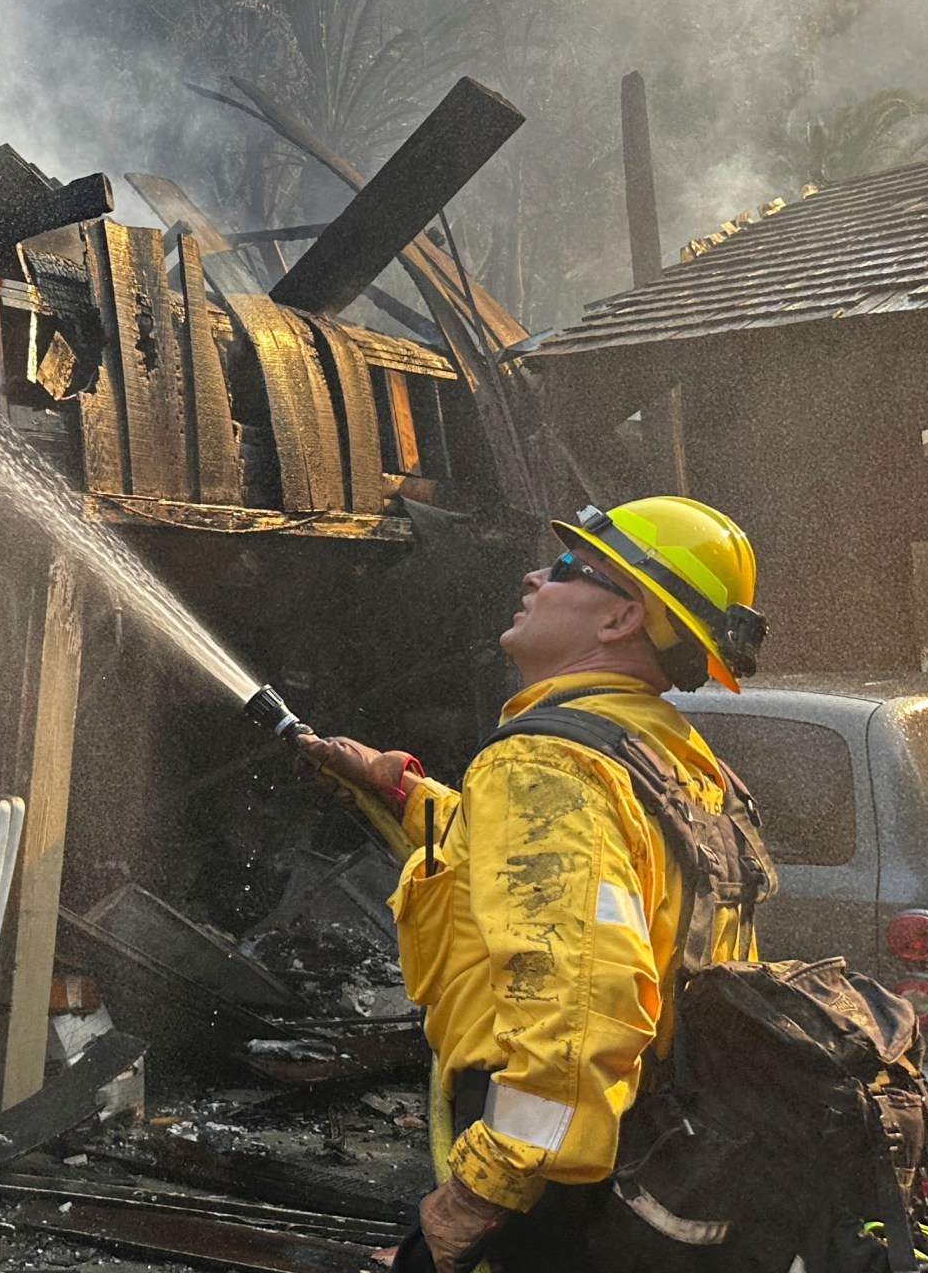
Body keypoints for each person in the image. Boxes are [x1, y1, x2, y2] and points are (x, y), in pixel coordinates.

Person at [302, 496, 769, 1272]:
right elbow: (534, 873)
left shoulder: (547, 766)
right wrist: (396, 790)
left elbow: (579, 1015)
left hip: (552, 1202)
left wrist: (475, 1198)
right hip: (649, 1153)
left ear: (622, 618)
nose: (531, 576)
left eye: (562, 568)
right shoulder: (671, 759)